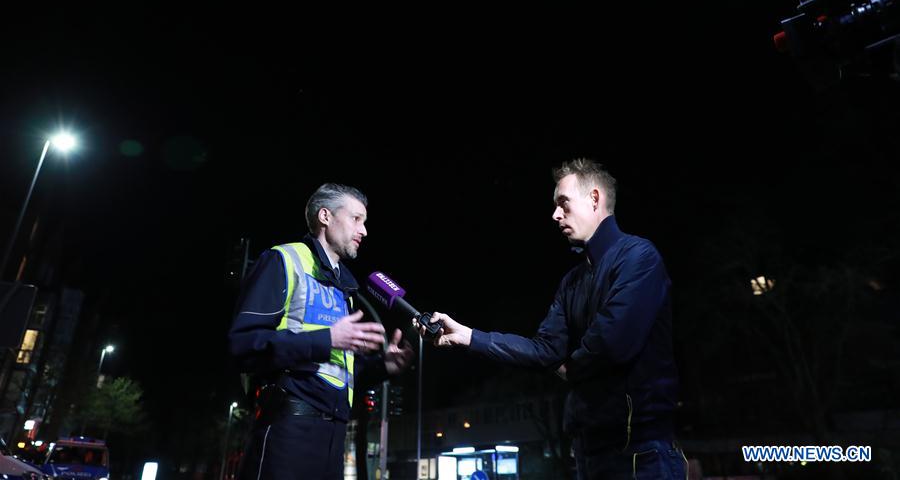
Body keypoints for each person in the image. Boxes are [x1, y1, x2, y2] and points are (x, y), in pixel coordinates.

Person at [416, 159, 686, 479]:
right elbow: (544, 350)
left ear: (594, 198)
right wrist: (468, 336)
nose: (555, 214)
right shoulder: (571, 282)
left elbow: (611, 344)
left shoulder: (640, 256)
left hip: (641, 453)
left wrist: (568, 366)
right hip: (589, 451)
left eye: (563, 203)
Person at [229, 183, 414, 480]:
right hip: (288, 429)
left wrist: (384, 367)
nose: (364, 230)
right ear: (325, 216)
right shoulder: (282, 260)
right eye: (356, 219)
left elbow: (335, 371)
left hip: (334, 438)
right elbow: (244, 345)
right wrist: (326, 339)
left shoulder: (345, 290)